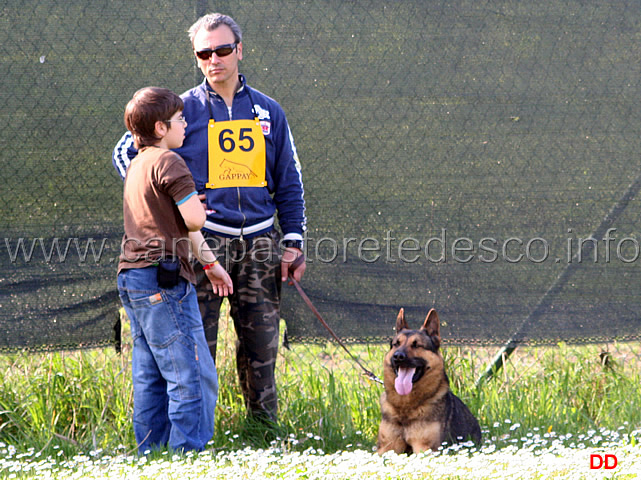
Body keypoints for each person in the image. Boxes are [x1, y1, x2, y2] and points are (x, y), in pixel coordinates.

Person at [112, 13, 306, 425]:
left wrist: (293, 241)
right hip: (199, 246)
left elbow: (289, 180)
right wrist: (166, 199)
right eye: (204, 52)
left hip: (260, 245)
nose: (213, 59)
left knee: (262, 349)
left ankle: (262, 433)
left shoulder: (269, 110)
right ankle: (192, 440)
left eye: (221, 49)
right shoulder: (179, 109)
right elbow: (125, 154)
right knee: (194, 349)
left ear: (239, 50)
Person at [117, 86, 234, 453]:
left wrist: (210, 265)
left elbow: (178, 227)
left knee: (150, 374)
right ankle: (188, 454)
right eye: (180, 119)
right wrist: (195, 201)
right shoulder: (169, 162)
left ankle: (151, 453)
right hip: (163, 280)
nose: (186, 124)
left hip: (134, 277)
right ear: (160, 127)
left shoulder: (139, 163)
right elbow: (195, 218)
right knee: (191, 372)